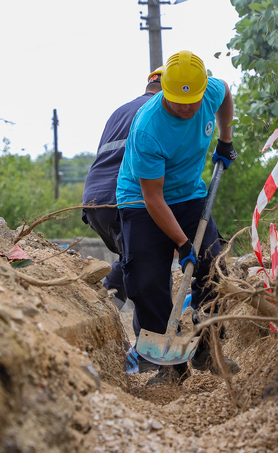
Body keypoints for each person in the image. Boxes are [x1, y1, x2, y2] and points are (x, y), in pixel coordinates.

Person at [116, 50, 240, 385]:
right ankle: (169, 369)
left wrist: (225, 140)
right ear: (164, 91)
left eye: (192, 101)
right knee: (145, 280)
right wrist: (183, 243)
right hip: (142, 203)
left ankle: (208, 348)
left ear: (201, 90)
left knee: (214, 267)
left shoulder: (210, 91)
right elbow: (153, 199)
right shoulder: (148, 127)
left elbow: (226, 91)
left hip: (189, 194)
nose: (186, 108)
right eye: (176, 101)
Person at [82, 67, 163, 348]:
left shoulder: (120, 110)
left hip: (94, 200)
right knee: (143, 265)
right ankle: (146, 348)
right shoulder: (159, 111)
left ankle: (104, 315)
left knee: (133, 259)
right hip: (122, 198)